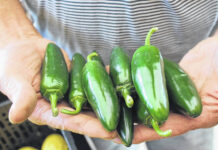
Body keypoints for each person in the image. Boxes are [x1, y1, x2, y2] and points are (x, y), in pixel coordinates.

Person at [0, 0, 217, 150]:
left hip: (191, 66)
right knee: (107, 132)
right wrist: (14, 35)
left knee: (186, 134)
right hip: (72, 62)